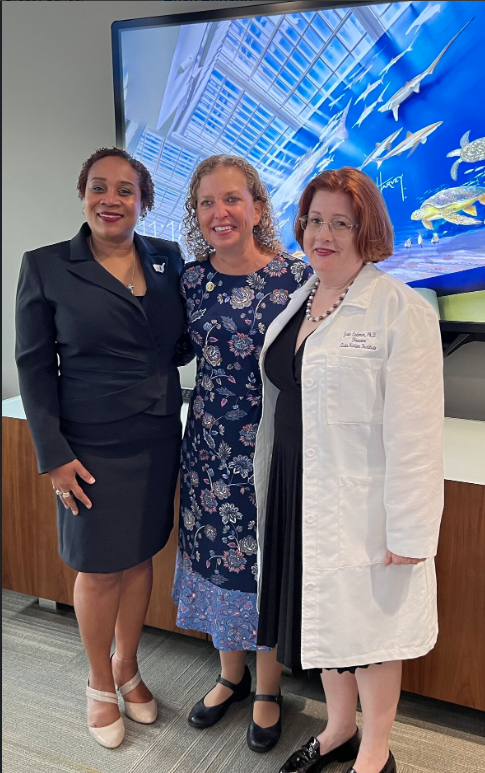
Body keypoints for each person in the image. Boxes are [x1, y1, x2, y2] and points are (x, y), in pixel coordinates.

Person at [253, 167, 444, 773]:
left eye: (342, 222)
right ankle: (337, 729)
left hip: (361, 501)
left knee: (373, 630)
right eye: (315, 220)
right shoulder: (298, 301)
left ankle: (376, 751)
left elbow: (416, 431)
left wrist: (410, 530)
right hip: (297, 489)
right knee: (324, 617)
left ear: (369, 231)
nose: (324, 234)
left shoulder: (398, 308)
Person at [15, 147, 192, 749]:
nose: (111, 199)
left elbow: (182, 343)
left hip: (156, 434)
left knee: (139, 556)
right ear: (83, 193)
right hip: (88, 446)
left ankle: (128, 666)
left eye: (125, 189)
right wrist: (53, 454)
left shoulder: (167, 259)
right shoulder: (46, 266)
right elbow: (35, 368)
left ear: (142, 201)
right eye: (99, 187)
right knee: (98, 567)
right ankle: (97, 683)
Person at [172, 154, 313, 752]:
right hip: (206, 447)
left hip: (269, 449)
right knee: (212, 559)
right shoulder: (191, 281)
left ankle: (267, 688)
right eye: (207, 202)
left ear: (256, 206)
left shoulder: (297, 277)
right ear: (195, 214)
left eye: (232, 199)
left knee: (263, 564)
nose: (219, 213)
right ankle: (231, 676)